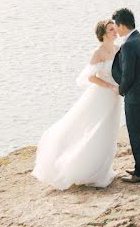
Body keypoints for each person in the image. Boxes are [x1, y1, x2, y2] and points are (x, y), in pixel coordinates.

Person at [31, 19, 123, 189]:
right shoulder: (98, 52)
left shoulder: (119, 49)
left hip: (115, 96)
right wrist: (110, 86)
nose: (114, 31)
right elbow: (91, 77)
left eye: (114, 29)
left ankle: (103, 169)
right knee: (97, 129)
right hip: (102, 94)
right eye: (111, 30)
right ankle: (85, 168)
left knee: (110, 130)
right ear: (103, 34)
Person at [110, 7, 140, 183]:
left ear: (122, 25)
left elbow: (127, 75)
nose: (116, 29)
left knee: (137, 134)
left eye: (116, 25)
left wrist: (121, 90)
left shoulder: (128, 45)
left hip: (135, 97)